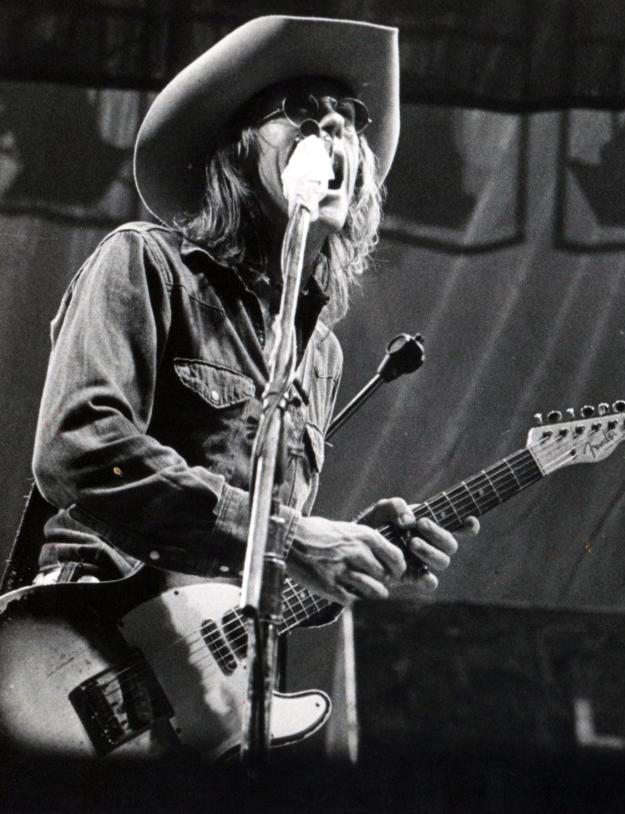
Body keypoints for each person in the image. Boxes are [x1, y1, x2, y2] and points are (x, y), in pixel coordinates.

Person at [29, 16, 476, 606]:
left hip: (198, 683)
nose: (336, 125)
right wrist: (292, 538)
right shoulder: (147, 263)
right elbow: (78, 448)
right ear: (239, 150)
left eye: (351, 115)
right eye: (302, 109)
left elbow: (236, 598)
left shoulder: (319, 352)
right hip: (85, 643)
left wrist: (354, 556)